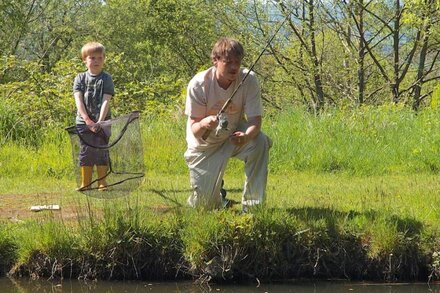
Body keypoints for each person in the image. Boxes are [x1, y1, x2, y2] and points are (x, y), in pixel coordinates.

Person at [184, 37, 272, 211]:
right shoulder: (198, 84)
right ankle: (216, 197)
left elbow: (255, 121)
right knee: (204, 207)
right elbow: (194, 129)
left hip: (233, 135)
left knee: (260, 141)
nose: (234, 67)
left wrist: (246, 136)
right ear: (216, 61)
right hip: (204, 145)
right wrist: (204, 123)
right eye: (228, 62)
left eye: (237, 62)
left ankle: (253, 208)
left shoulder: (249, 79)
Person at [73, 42, 114, 191]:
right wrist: (87, 120)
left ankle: (102, 183)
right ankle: (86, 183)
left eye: (99, 58)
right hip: (83, 122)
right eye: (92, 58)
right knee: (86, 152)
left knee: (101, 151)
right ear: (85, 60)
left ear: (104, 59)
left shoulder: (106, 78)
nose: (96, 61)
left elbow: (106, 100)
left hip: (102, 123)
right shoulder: (80, 78)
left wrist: (100, 122)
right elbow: (78, 100)